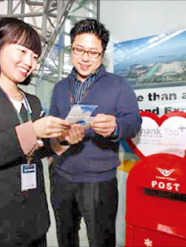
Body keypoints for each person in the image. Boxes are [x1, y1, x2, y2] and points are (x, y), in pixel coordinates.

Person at [0, 17, 84, 247]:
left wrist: (61, 140)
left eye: (35, 56)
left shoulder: (33, 101)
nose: (29, 62)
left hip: (34, 223)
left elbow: (35, 151)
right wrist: (30, 131)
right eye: (22, 51)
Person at [49, 18, 142, 247]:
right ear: (72, 49)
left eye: (93, 52)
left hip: (99, 181)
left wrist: (116, 127)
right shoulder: (60, 88)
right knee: (65, 238)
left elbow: (134, 122)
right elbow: (52, 127)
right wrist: (61, 136)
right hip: (61, 177)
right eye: (79, 50)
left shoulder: (119, 85)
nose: (85, 58)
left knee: (101, 240)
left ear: (102, 54)